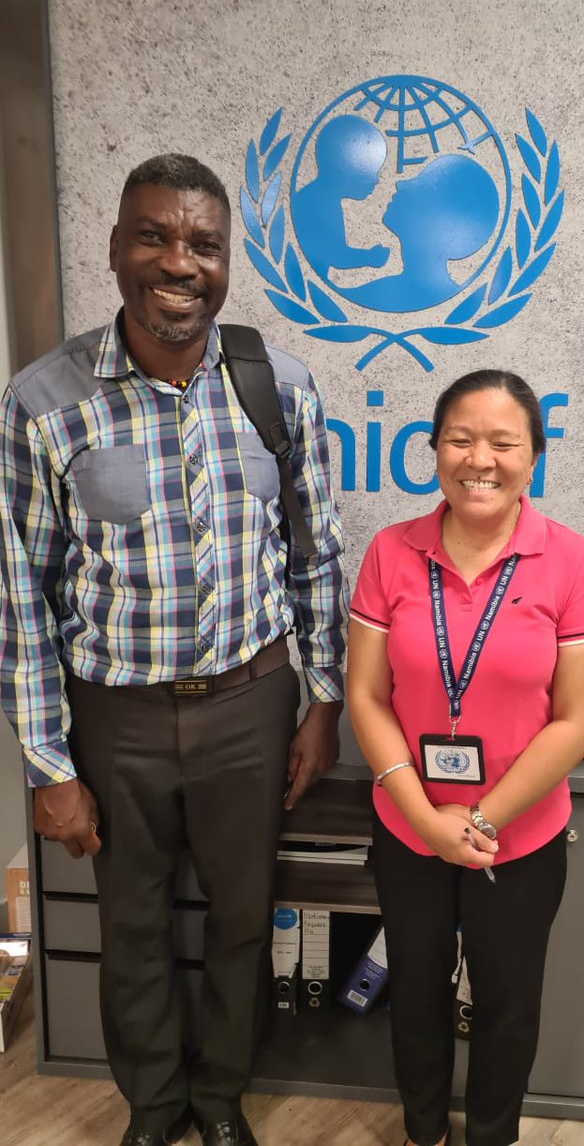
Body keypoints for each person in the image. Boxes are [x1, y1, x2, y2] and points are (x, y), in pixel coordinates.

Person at [0, 154, 349, 1146]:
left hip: (254, 704)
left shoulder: (277, 387)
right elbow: (18, 597)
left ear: (225, 261)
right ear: (116, 250)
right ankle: (154, 1108)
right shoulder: (43, 402)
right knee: (136, 933)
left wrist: (321, 703)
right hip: (117, 717)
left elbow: (317, 556)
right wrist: (48, 764)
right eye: (154, 236)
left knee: (243, 919)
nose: (178, 262)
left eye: (202, 243)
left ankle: (219, 1097)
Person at [347, 370, 584, 1146]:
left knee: (506, 1006)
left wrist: (481, 818)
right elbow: (367, 696)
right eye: (461, 439)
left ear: (532, 457)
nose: (480, 459)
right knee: (418, 997)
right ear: (433, 450)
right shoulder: (390, 553)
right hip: (409, 832)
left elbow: (577, 715)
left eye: (503, 442)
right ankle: (422, 1131)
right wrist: (426, 819)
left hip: (520, 837)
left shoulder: (570, 562)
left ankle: (491, 1135)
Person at [335, 154, 500, 314]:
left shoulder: (372, 295)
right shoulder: (376, 293)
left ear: (437, 214)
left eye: (422, 182)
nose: (401, 183)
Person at [291, 114, 390, 280]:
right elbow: (336, 256)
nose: (376, 179)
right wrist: (370, 257)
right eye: (371, 170)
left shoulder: (320, 197)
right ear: (345, 165)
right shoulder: (318, 202)